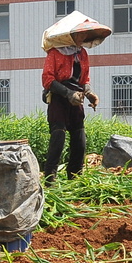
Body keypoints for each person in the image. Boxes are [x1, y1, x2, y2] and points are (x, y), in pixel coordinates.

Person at [40, 11, 111, 181]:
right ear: (71, 35)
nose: (84, 37)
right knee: (58, 136)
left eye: (86, 34)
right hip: (58, 98)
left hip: (76, 99)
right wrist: (68, 93)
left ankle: (75, 177)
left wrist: (89, 94)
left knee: (79, 139)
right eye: (81, 34)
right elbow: (47, 79)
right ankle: (50, 178)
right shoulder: (55, 53)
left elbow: (84, 78)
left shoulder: (82, 54)